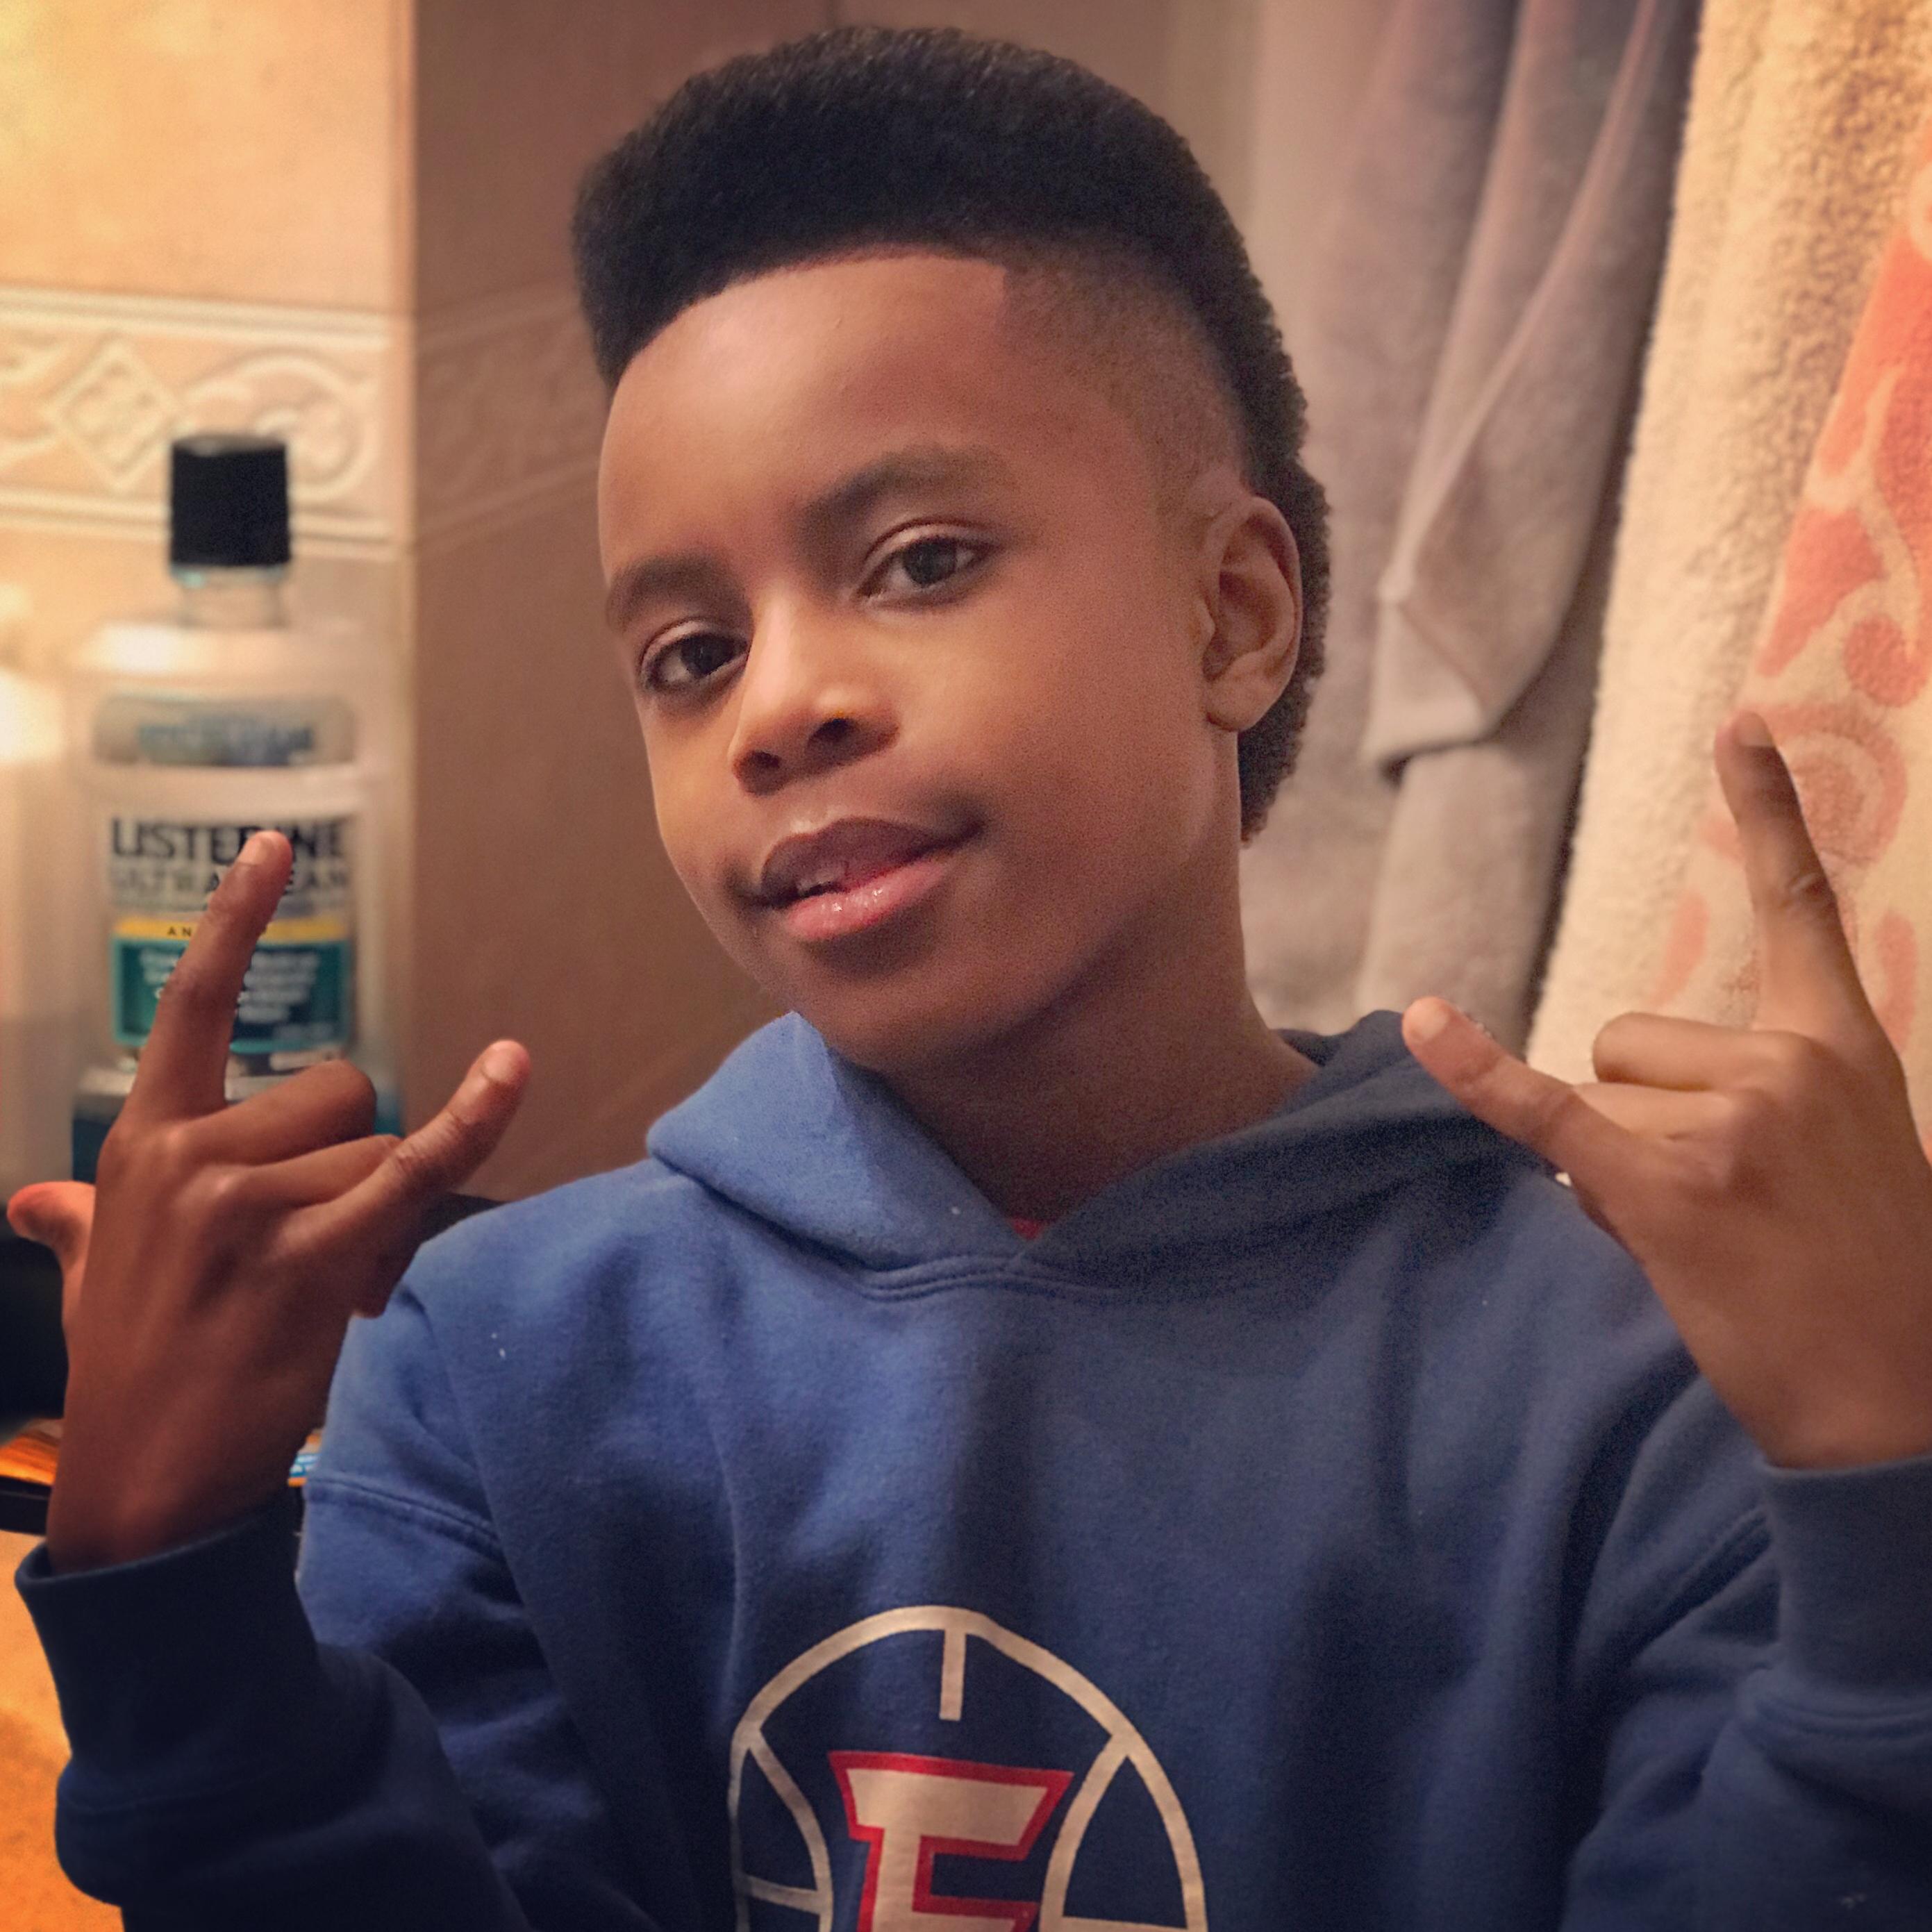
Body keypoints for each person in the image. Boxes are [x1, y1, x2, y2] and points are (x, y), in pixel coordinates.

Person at [11, 24, 1932, 1931]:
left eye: (920, 561)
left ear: (1234, 614)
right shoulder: (497, 1380)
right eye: (689, 655)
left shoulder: (1631, 1378)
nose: (778, 707)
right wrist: (167, 1580)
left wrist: (1889, 1483)